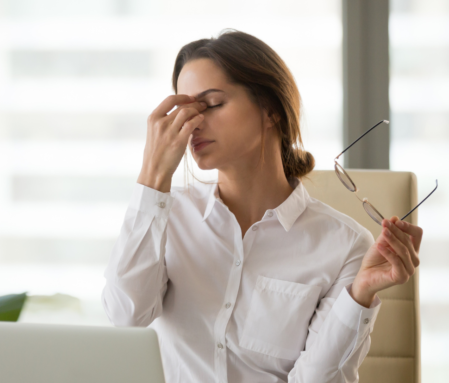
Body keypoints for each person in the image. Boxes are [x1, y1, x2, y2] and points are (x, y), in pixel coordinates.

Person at [101, 29, 423, 383]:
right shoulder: (167, 216)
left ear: (271, 110)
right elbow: (126, 316)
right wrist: (152, 176)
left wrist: (359, 296)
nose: (192, 124)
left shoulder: (345, 245)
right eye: (185, 110)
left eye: (210, 105)